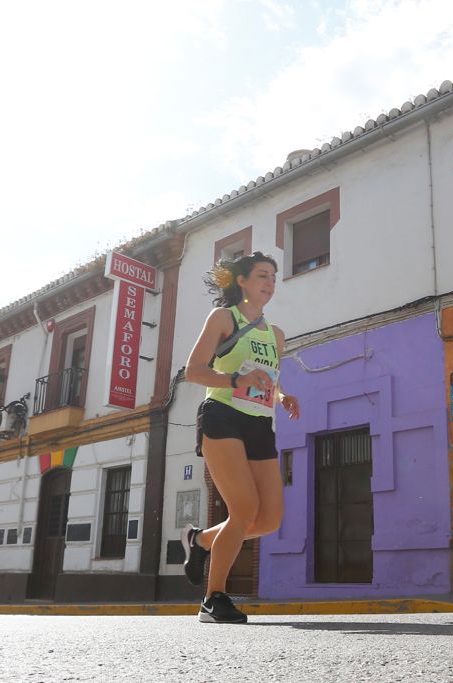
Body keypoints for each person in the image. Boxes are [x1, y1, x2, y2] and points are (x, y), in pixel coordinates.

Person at [182, 251, 300, 624]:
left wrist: (283, 396)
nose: (270, 282)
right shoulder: (223, 318)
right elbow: (194, 371)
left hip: (259, 424)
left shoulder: (275, 334)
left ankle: (200, 541)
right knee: (244, 509)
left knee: (269, 519)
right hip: (223, 416)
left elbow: (269, 380)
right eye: (262, 275)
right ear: (242, 282)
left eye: (274, 277)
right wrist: (235, 381)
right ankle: (213, 598)